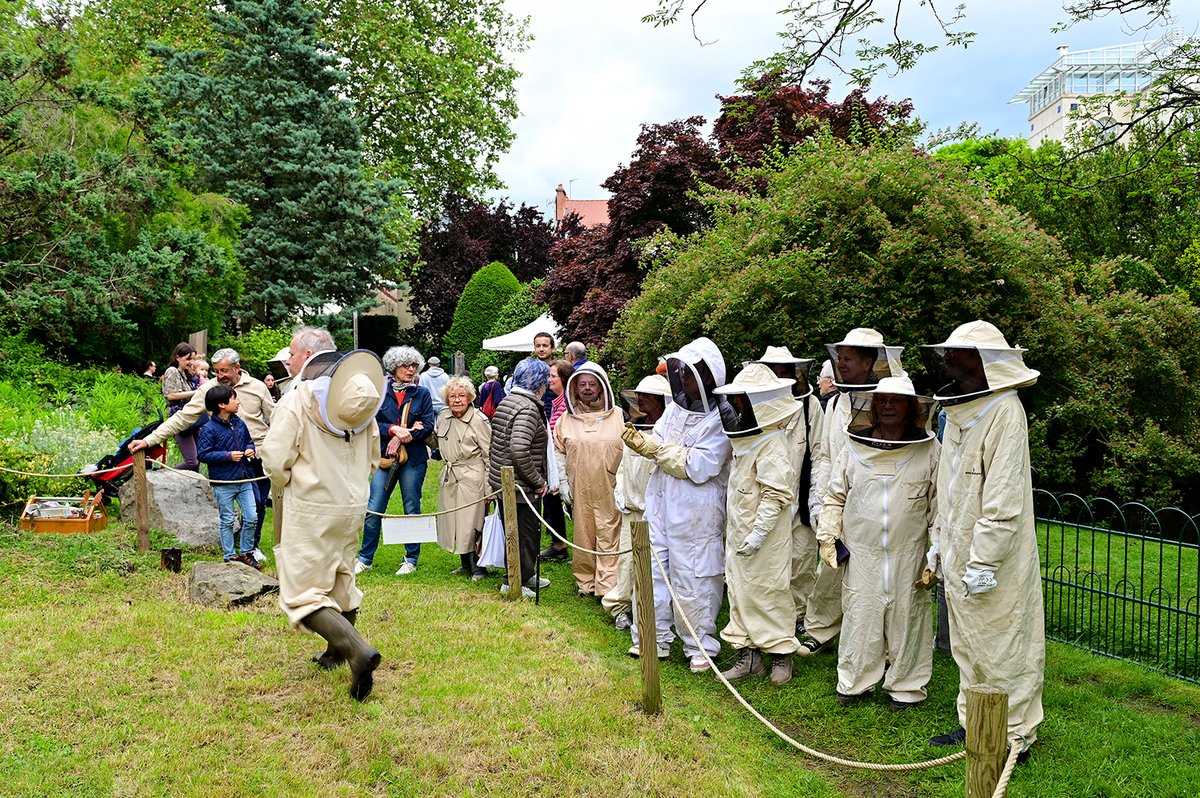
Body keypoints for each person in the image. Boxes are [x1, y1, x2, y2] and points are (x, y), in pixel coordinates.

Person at [922, 321, 1043, 755]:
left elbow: (1003, 499)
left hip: (995, 561)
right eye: (949, 352)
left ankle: (1014, 737)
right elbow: (952, 491)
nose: (948, 358)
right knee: (969, 644)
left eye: (960, 352)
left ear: (984, 360)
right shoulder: (959, 412)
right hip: (959, 550)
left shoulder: (1006, 413)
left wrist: (984, 561)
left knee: (1003, 643)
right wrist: (939, 543)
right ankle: (976, 724)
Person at [261, 345, 385, 701]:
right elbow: (374, 459)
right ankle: (334, 653)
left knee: (302, 592)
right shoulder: (365, 410)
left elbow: (274, 457)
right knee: (342, 574)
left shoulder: (296, 402)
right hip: (353, 504)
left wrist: (288, 482)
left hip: (312, 505)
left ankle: (356, 650)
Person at [817, 375, 938, 709]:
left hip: (909, 554)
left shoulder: (929, 449)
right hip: (861, 553)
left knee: (908, 619)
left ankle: (907, 688)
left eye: (896, 401)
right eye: (881, 401)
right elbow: (834, 496)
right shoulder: (853, 447)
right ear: (870, 407)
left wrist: (936, 554)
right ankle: (854, 684)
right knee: (860, 616)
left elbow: (939, 506)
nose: (887, 407)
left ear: (912, 408)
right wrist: (828, 535)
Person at [621, 337, 733, 670]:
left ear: (708, 377)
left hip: (698, 511)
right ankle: (652, 639)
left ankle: (700, 647)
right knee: (653, 571)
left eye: (689, 373)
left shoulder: (721, 418)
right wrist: (649, 443)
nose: (682, 378)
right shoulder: (674, 409)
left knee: (694, 578)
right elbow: (661, 441)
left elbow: (699, 465)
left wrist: (654, 449)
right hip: (662, 502)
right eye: (681, 372)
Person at [803, 328, 906, 657]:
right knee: (832, 567)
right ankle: (821, 628)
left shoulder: (894, 399)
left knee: (883, 577)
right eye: (839, 358)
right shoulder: (837, 403)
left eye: (847, 359)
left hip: (881, 504)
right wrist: (822, 502)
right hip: (839, 499)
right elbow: (828, 456)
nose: (840, 365)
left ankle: (887, 647)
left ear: (869, 361)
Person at [131, 347, 276, 559]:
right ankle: (235, 549)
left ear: (237, 368)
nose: (220, 376)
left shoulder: (258, 387)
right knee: (232, 507)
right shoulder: (209, 390)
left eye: (225, 371)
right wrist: (148, 439)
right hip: (225, 459)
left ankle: (251, 547)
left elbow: (275, 419)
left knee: (259, 504)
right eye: (217, 371)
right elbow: (182, 418)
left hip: (258, 454)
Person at [714, 363, 804, 684]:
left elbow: (775, 497)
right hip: (740, 532)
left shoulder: (773, 445)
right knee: (740, 592)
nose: (736, 406)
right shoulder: (747, 442)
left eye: (742, 400)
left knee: (770, 591)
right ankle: (748, 657)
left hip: (766, 539)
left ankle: (782, 656)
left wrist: (757, 535)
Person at [750, 346, 824, 641]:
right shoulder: (753, 406)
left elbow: (819, 452)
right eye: (775, 372)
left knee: (802, 562)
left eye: (786, 372)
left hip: (801, 498)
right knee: (766, 564)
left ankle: (797, 620)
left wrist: (815, 499)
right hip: (765, 498)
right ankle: (765, 620)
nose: (782, 378)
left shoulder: (811, 406)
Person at [355, 346, 435, 575]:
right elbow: (370, 422)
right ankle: (365, 558)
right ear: (394, 367)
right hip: (384, 458)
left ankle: (411, 559)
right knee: (374, 508)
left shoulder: (422, 394)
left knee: (412, 507)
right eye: (406, 365)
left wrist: (402, 437)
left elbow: (427, 425)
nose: (411, 370)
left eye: (414, 366)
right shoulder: (381, 392)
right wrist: (394, 430)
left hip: (414, 459)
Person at [603, 373, 671, 631]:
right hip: (631, 510)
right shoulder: (634, 428)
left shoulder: (667, 433)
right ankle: (621, 606)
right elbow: (624, 465)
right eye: (638, 395)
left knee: (656, 566)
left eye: (646, 396)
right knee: (626, 561)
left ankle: (655, 611)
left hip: (656, 513)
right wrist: (620, 491)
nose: (640, 400)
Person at [554, 361, 624, 598]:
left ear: (602, 387)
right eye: (582, 384)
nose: (586, 388)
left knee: (609, 532)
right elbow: (558, 452)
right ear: (574, 389)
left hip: (610, 487)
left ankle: (608, 584)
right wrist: (563, 483)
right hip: (580, 487)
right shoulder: (566, 419)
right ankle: (586, 581)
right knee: (583, 534)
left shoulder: (618, 416)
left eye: (591, 384)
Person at [487, 357, 551, 598]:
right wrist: (538, 481)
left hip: (507, 481)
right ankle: (516, 582)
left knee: (519, 533)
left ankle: (524, 575)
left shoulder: (510, 400)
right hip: (520, 485)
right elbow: (518, 449)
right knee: (524, 535)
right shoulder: (527, 408)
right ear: (539, 384)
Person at [433, 376, 491, 580]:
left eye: (461, 396)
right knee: (453, 521)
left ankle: (479, 567)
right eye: (452, 396)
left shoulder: (479, 420)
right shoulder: (442, 416)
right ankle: (465, 564)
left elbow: (488, 455)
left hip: (472, 476)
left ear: (470, 398)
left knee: (472, 523)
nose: (457, 400)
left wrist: (489, 488)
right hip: (450, 475)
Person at [197, 384, 260, 567]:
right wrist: (228, 456)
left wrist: (250, 449)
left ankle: (247, 552)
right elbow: (203, 454)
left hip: (244, 478)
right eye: (234, 398)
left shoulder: (239, 422)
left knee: (251, 517)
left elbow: (249, 441)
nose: (238, 401)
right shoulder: (208, 429)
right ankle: (230, 556)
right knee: (227, 519)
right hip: (223, 482)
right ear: (222, 404)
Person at [538, 359, 574, 563]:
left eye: (553, 376)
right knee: (551, 502)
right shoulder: (557, 401)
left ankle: (562, 546)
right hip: (553, 461)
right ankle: (558, 545)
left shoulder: (568, 404)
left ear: (564, 378)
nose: (549, 379)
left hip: (564, 464)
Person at [159, 343, 201, 471]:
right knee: (192, 462)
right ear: (177, 357)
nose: (191, 362)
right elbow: (171, 395)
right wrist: (197, 392)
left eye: (193, 359)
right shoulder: (172, 371)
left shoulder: (186, 374)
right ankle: (162, 476)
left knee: (197, 460)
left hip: (191, 419)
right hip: (179, 419)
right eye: (188, 359)